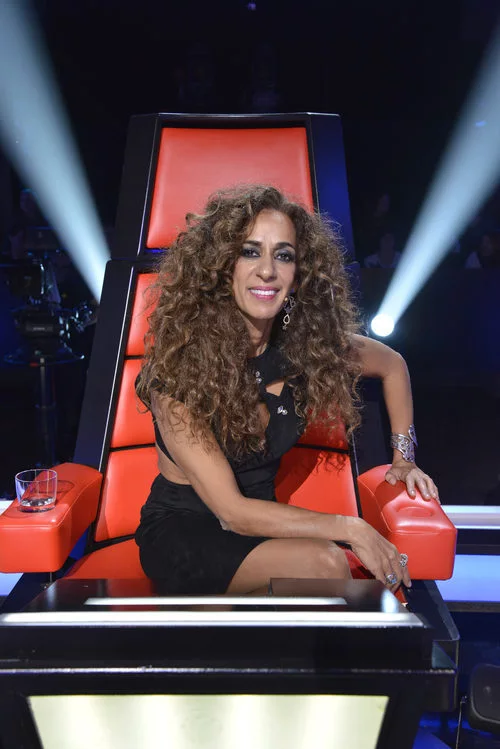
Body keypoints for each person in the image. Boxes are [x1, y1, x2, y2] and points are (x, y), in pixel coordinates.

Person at [135, 185, 438, 596]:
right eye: (249, 252)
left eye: (283, 255)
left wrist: (404, 458)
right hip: (186, 531)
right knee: (325, 563)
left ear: (299, 276)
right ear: (222, 268)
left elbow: (392, 365)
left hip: (265, 525)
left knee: (322, 573)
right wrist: (352, 528)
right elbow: (232, 513)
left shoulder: (305, 349)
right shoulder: (178, 371)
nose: (267, 271)